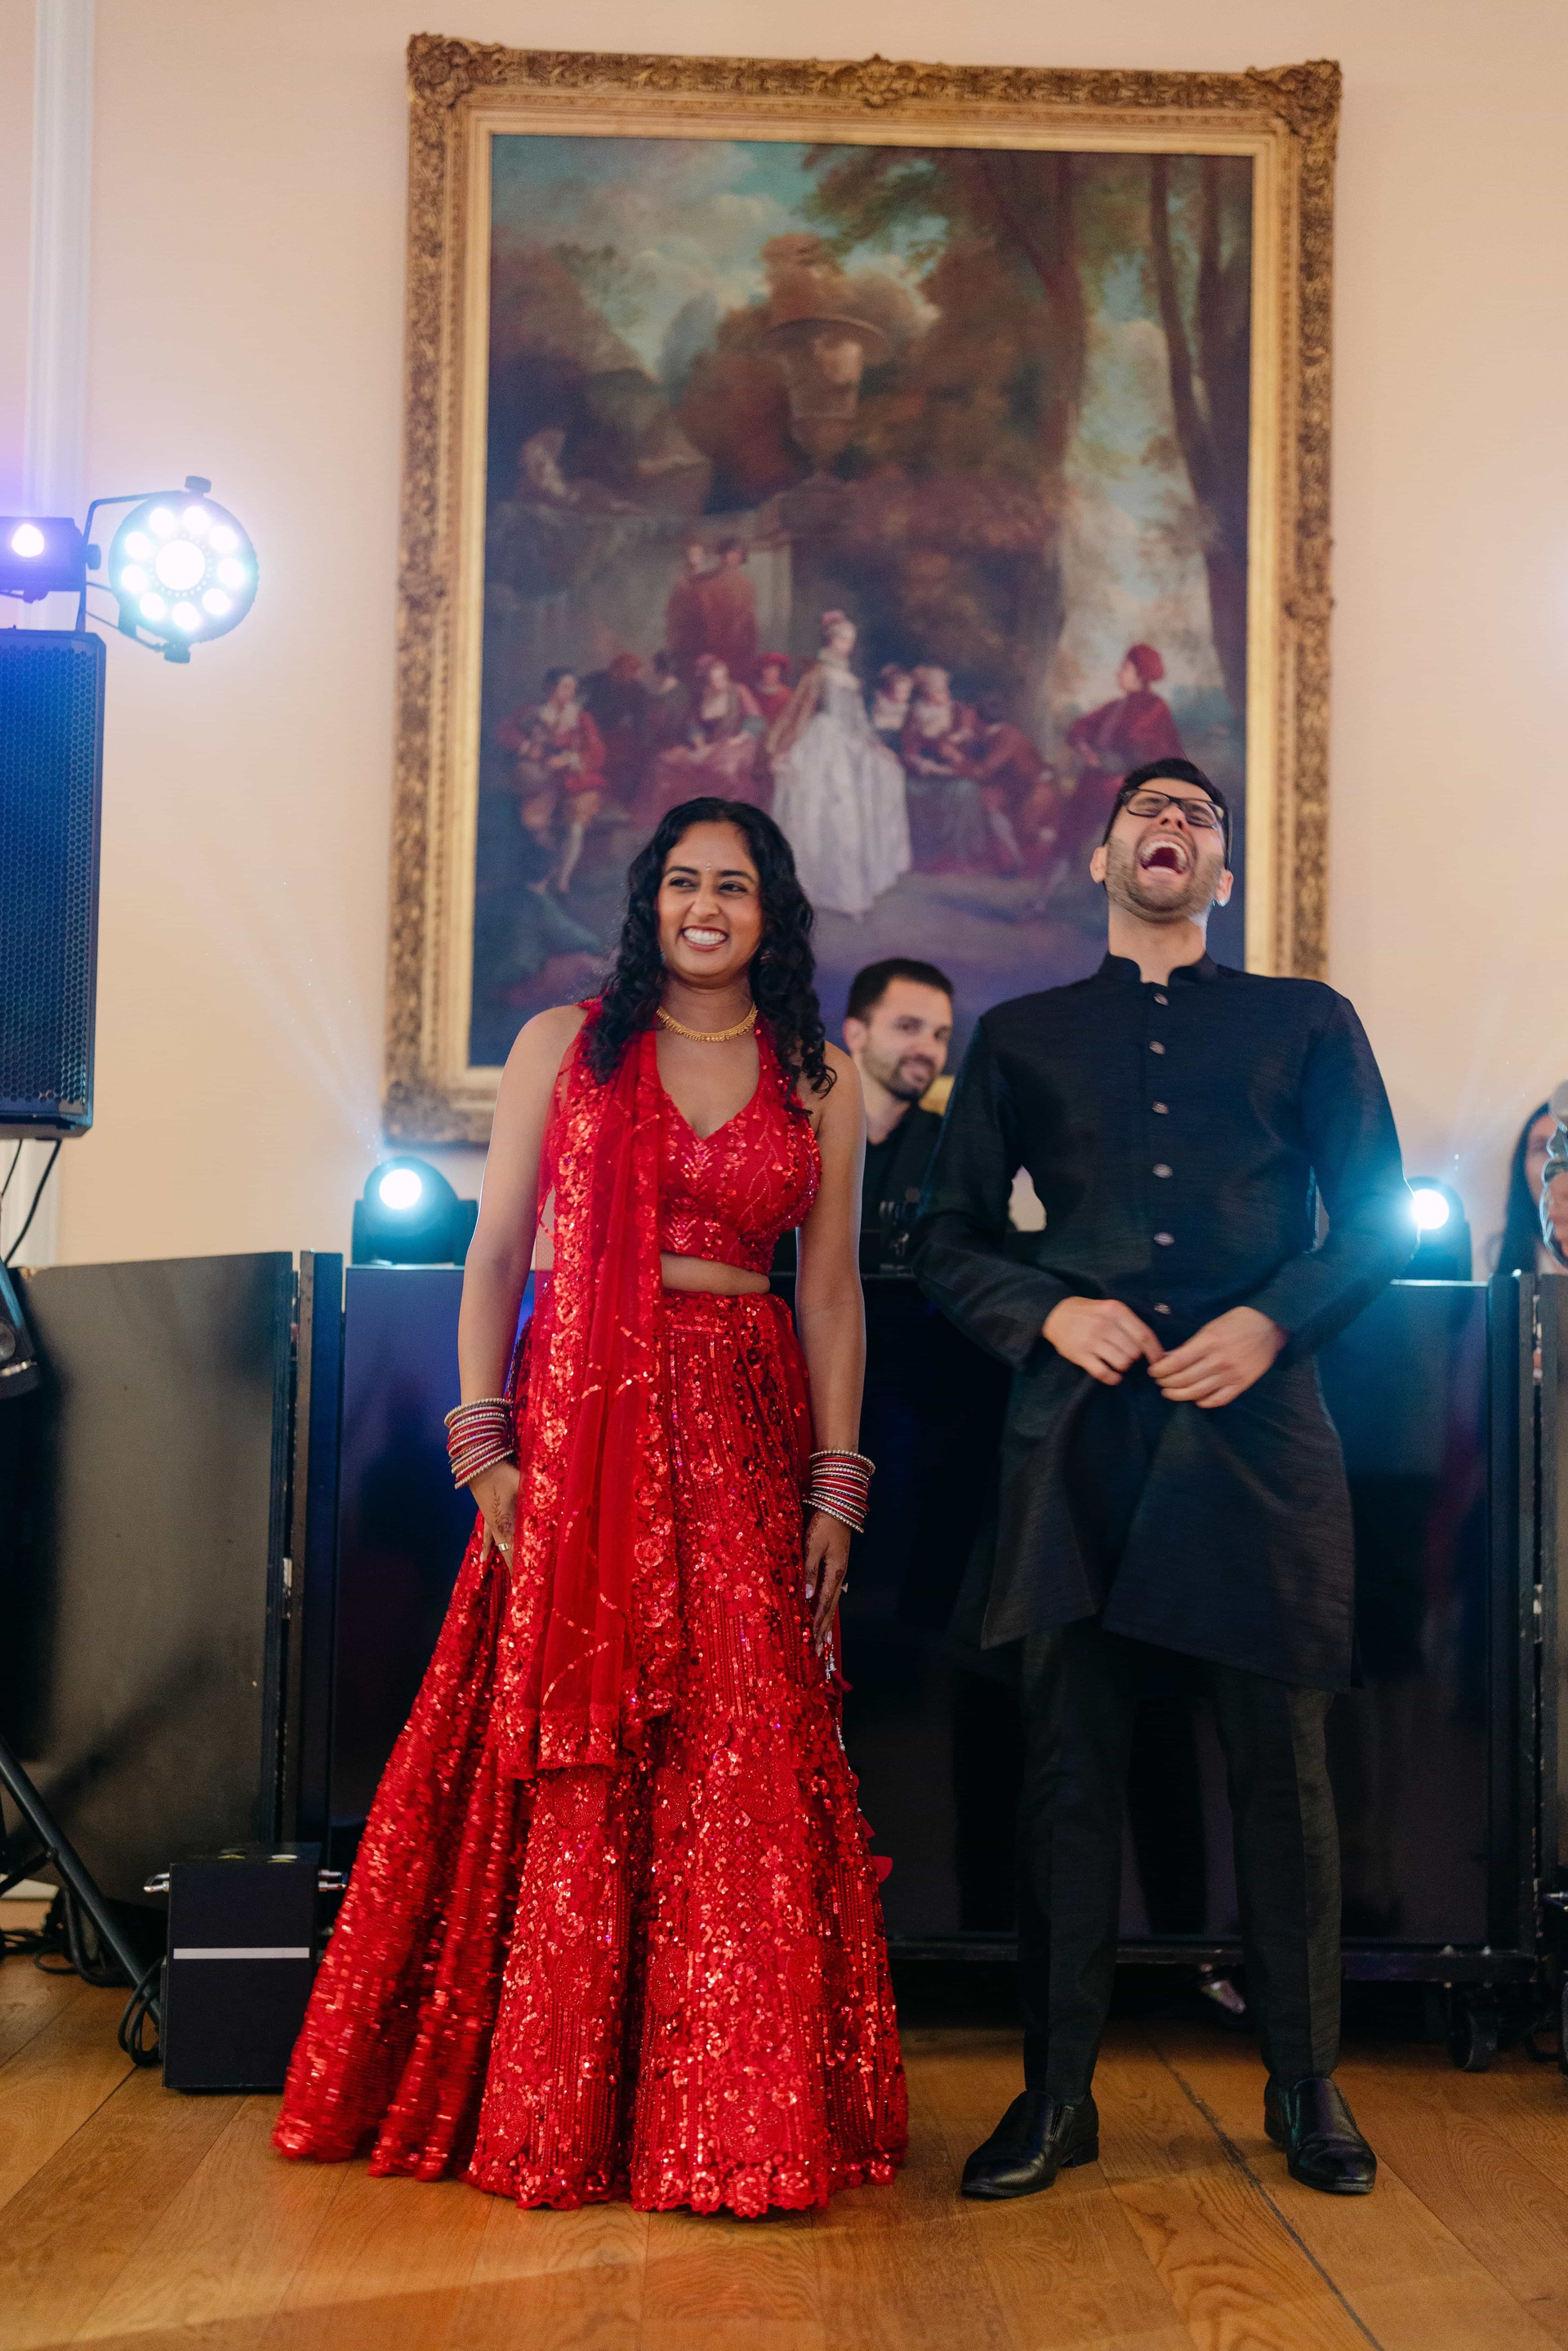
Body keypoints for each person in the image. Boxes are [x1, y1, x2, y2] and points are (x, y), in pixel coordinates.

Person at [274, 799, 906, 2214]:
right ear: (647, 901)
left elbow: (831, 1293)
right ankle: (560, 2104)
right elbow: (497, 1249)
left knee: (739, 1744)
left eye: (733, 884)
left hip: (741, 1427)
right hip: (579, 1429)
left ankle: (727, 2114)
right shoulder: (569, 1046)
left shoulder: (821, 1075)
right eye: (682, 880)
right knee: (577, 1747)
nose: (705, 905)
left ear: (773, 910)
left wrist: (838, 1481)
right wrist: (483, 1439)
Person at [915, 753, 1411, 2202]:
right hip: (1081, 1431)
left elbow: (1376, 1213)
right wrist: (1047, 1311)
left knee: (1285, 1777)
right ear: (1103, 857)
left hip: (1260, 1434)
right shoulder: (1020, 1034)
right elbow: (948, 1237)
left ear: (1221, 872)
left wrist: (1273, 1322)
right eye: (1148, 809)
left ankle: (1307, 2087)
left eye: (1198, 815)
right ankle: (1055, 2096)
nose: (1173, 825)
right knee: (1066, 1775)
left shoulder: (1306, 1018)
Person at [767, 611, 911, 919]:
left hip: (851, 744)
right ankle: (814, 890)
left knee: (881, 779)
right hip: (822, 744)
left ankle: (849, 891)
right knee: (824, 812)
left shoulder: (850, 678)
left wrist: (877, 747)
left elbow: (859, 720)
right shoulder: (818, 673)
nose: (847, 646)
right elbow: (799, 709)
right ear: (830, 640)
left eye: (850, 641)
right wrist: (782, 748)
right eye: (843, 639)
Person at [843, 957, 954, 1240]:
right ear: (856, 1034)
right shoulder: (795, 1137)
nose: (928, 1049)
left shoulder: (953, 1149)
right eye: (908, 1027)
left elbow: (995, 1250)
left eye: (940, 1036)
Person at [1058, 645, 1184, 872]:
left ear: (1140, 674)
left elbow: (1158, 758)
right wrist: (1085, 749)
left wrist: (1114, 767)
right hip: (1101, 781)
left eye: (1125, 667)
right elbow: (1080, 727)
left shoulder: (1155, 709)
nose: (1118, 672)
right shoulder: (1116, 706)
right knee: (1079, 807)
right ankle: (1056, 879)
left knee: (1115, 805)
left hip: (1138, 785)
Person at [496, 667, 607, 895]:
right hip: (541, 779)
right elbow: (504, 732)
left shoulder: (581, 717)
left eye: (573, 688)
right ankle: (544, 873)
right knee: (535, 826)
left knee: (575, 828)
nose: (570, 693)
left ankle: (563, 879)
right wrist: (528, 748)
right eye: (565, 687)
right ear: (550, 688)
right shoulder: (531, 711)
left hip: (574, 781)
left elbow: (597, 752)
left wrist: (570, 759)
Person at [647, 655, 764, 817]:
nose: (721, 683)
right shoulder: (703, 695)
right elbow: (693, 723)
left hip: (738, 744)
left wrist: (739, 738)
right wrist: (699, 743)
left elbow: (756, 720)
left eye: (723, 678)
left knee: (724, 769)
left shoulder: (739, 691)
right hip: (711, 745)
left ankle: (723, 814)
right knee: (669, 762)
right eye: (715, 680)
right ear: (708, 681)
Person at [899, 666, 987, 871]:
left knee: (965, 790)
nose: (945, 696)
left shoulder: (959, 710)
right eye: (938, 693)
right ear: (927, 694)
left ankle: (960, 855)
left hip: (955, 771)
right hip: (926, 773)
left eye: (945, 691)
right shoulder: (915, 712)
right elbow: (909, 747)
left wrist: (959, 745)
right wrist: (920, 763)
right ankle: (926, 854)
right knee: (911, 790)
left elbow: (973, 741)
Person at [1495, 1101, 1559, 1278]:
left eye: (1565, 1146)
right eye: (1541, 1148)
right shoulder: (1489, 1261)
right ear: (1522, 1167)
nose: (1554, 1162)